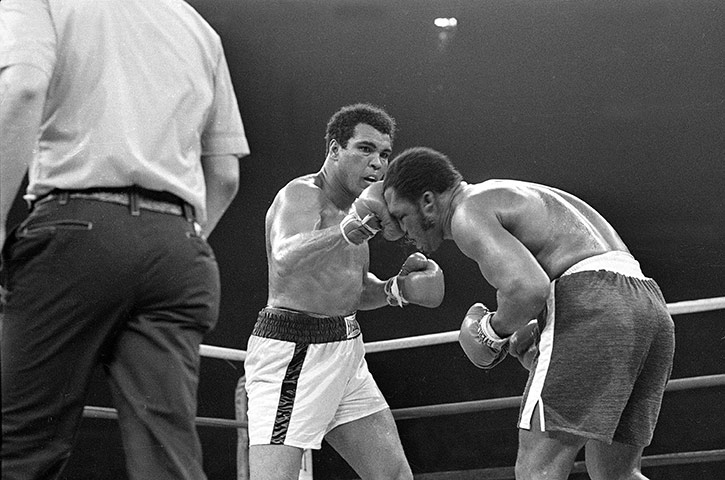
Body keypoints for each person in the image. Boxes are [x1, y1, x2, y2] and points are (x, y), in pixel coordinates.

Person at [0, 0, 249, 479]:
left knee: (19, 447)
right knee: (169, 459)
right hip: (178, 249)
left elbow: (24, 89)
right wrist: (171, 238)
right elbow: (225, 175)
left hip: (76, 231)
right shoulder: (196, 25)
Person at [381, 147, 675, 480]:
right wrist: (538, 325)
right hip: (649, 306)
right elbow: (569, 274)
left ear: (428, 202)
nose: (403, 232)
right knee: (617, 474)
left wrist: (492, 332)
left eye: (402, 216)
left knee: (538, 469)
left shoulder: (466, 212)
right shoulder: (507, 193)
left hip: (594, 304)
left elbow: (527, 288)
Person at [244, 104, 445, 480]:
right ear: (335, 150)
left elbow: (350, 287)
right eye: (365, 149)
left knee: (394, 476)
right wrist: (350, 229)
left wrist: (394, 290)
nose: (377, 164)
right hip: (293, 351)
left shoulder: (357, 211)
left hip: (346, 349)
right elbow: (285, 255)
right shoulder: (302, 195)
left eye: (384, 154)